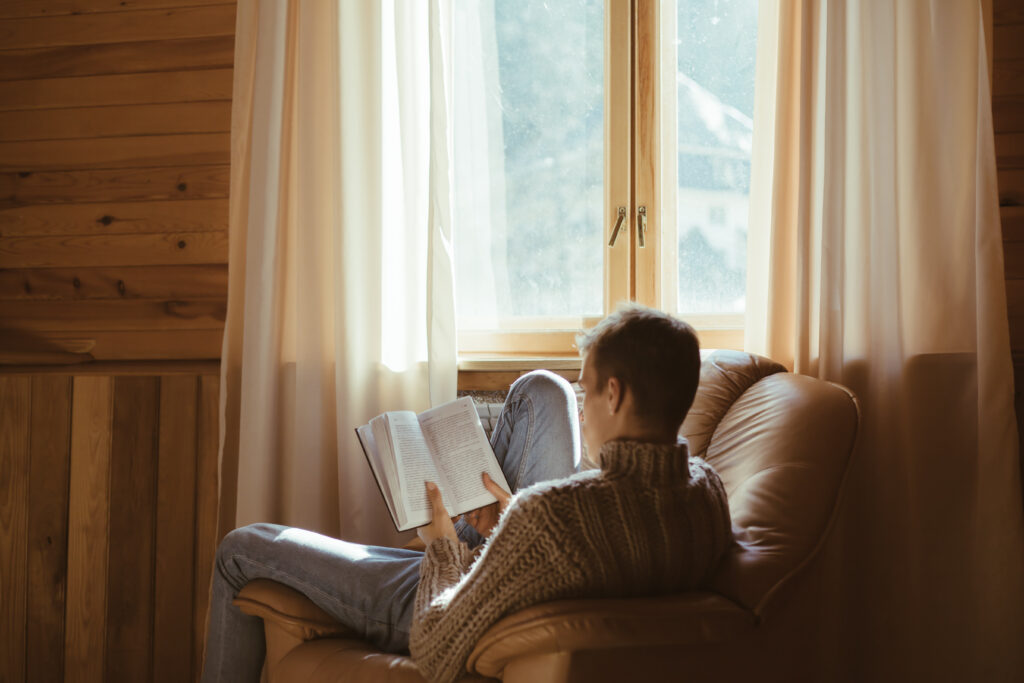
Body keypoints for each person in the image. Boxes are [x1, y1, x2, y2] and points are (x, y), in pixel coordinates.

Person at [201, 306, 733, 683]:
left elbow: (436, 646)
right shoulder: (706, 495)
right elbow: (581, 553)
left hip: (438, 595)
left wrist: (440, 546)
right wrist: (509, 526)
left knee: (242, 547)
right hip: (498, 569)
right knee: (539, 391)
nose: (584, 404)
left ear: (613, 394)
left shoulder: (554, 514)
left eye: (587, 388)